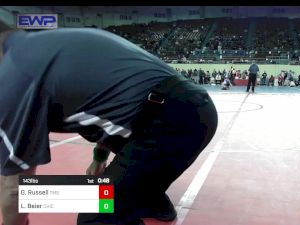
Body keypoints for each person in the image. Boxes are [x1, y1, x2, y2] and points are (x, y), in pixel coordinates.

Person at [0, 27, 218, 225]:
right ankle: (149, 197)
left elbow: (13, 190)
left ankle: (140, 196)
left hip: (170, 122)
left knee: (95, 218)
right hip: (184, 110)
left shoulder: (14, 75)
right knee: (81, 193)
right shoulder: (47, 46)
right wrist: (100, 157)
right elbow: (108, 100)